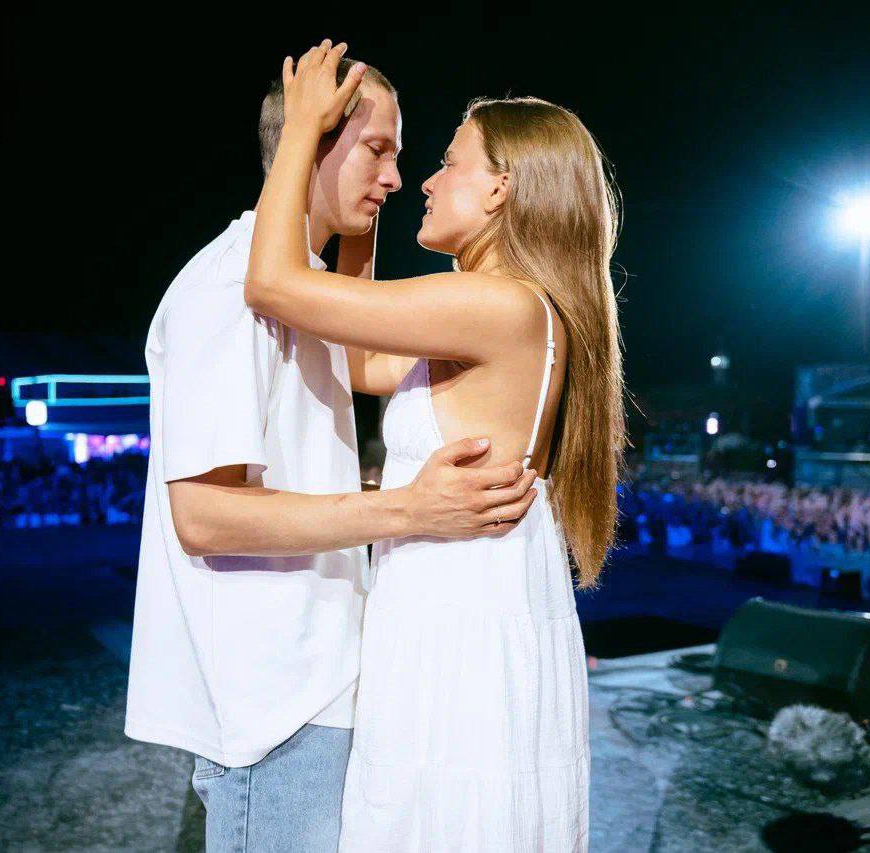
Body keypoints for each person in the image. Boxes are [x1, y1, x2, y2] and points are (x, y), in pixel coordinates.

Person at [124, 54, 539, 852]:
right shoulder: (227, 290)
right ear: (309, 140)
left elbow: (355, 356)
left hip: (314, 683)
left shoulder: (303, 289)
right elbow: (202, 515)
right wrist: (408, 509)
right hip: (274, 701)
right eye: (377, 149)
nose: (396, 178)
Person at [248, 40, 627, 851]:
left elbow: (273, 284)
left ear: (500, 188)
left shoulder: (498, 305)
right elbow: (362, 362)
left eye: (449, 163)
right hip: (458, 605)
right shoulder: (495, 307)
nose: (419, 179)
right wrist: (362, 220)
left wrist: (302, 138)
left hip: (460, 627)